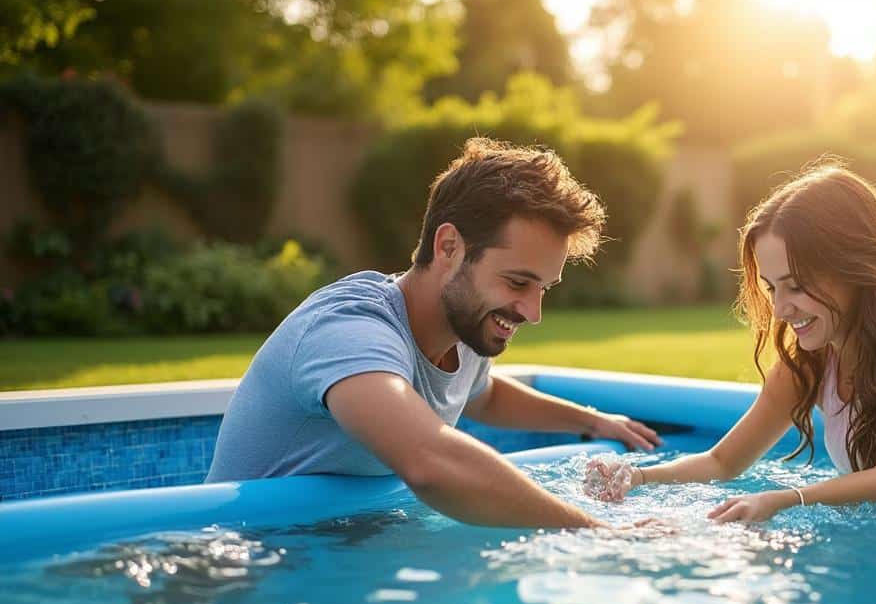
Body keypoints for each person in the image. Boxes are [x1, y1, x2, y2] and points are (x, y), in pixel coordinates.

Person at [207, 138, 661, 529]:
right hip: (238, 564)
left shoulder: (465, 329)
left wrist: (592, 422)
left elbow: (483, 395)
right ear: (449, 247)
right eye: (517, 283)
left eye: (543, 288)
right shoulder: (348, 330)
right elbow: (430, 461)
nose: (533, 312)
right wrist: (596, 532)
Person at [585, 163, 876, 522]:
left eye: (795, 286)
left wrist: (785, 500)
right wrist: (638, 476)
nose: (780, 309)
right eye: (771, 288)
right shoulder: (810, 364)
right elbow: (722, 461)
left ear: (854, 268)